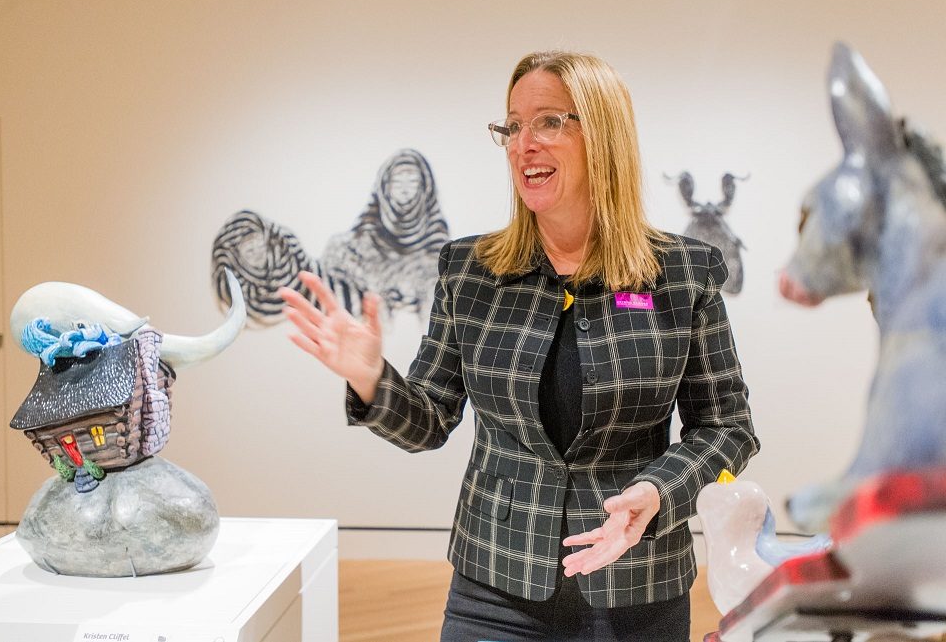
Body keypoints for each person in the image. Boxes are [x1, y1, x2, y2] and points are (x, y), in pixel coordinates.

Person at [280, 50, 759, 642]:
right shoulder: (471, 270)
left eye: (549, 121)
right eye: (512, 126)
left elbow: (728, 427)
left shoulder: (684, 272)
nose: (522, 143)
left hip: (636, 588)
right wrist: (372, 378)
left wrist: (660, 492)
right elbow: (428, 422)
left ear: (603, 136)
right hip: (494, 590)